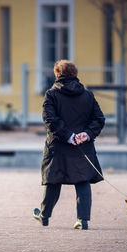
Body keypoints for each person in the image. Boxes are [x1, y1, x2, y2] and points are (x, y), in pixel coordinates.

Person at [33, 60, 105, 230]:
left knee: (53, 180)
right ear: (75, 74)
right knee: (82, 181)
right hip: (82, 146)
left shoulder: (51, 94)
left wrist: (68, 136)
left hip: (58, 146)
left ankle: (44, 215)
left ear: (57, 74)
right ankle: (82, 220)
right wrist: (86, 134)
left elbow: (50, 120)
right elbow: (99, 119)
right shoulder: (88, 95)